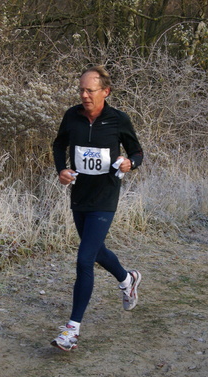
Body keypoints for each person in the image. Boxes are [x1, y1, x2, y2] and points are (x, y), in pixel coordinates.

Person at [51, 65, 144, 352]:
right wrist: (61, 170)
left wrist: (131, 163)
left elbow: (137, 152)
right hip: (80, 195)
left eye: (89, 90)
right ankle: (127, 278)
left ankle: (72, 330)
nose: (84, 95)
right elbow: (58, 146)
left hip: (105, 196)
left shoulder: (118, 120)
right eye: (80, 89)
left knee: (84, 259)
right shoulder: (72, 116)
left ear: (105, 91)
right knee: (96, 250)